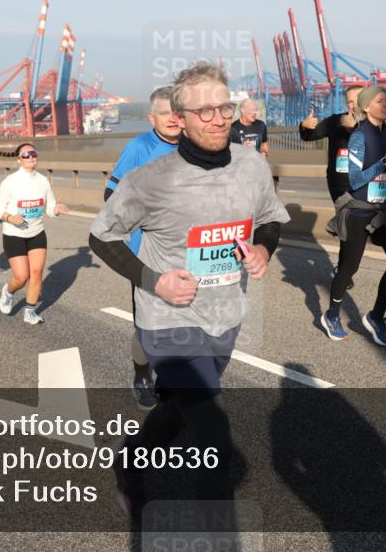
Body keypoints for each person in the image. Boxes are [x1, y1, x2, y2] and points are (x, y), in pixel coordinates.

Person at [90, 62, 290, 515]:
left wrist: (263, 248)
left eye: (224, 107)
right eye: (205, 112)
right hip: (169, 320)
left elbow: (270, 219)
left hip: (224, 314)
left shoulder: (252, 166)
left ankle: (130, 459)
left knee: (179, 410)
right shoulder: (151, 179)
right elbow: (101, 236)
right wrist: (154, 280)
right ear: (180, 119)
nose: (218, 119)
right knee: (214, 434)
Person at [104, 86, 181, 410]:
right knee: (148, 323)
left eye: (177, 112)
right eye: (165, 113)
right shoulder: (139, 147)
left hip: (185, 252)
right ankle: (142, 378)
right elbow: (111, 195)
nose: (173, 119)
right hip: (146, 253)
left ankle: (169, 377)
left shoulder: (193, 147)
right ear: (152, 117)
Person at [324, 86, 386, 346]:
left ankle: (376, 316)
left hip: (384, 208)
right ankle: (332, 315)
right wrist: (385, 162)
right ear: (366, 106)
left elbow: (383, 166)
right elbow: (355, 180)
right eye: (379, 100)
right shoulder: (359, 136)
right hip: (360, 210)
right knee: (349, 267)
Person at [0, 143, 69, 325]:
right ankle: (8, 292)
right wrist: (10, 217)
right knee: (21, 277)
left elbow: (49, 208)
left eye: (33, 153)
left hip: (36, 232)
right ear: (19, 159)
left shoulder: (43, 181)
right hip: (14, 234)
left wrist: (56, 209)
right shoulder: (10, 181)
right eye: (26, 155)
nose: (31, 157)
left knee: (36, 273)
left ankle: (30, 312)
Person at [300, 85, 363, 287]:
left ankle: (344, 268)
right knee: (348, 224)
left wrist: (356, 128)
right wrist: (304, 126)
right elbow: (309, 136)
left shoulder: (372, 124)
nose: (352, 105)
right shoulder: (335, 121)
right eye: (349, 101)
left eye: (356, 101)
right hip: (339, 183)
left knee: (356, 229)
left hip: (363, 182)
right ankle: (344, 271)